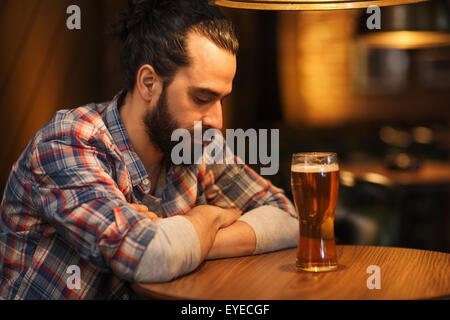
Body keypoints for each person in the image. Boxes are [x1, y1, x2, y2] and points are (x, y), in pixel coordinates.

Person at [0, 0, 298, 300]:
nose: (217, 121)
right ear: (148, 83)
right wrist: (207, 217)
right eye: (201, 98)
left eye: (222, 99)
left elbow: (288, 219)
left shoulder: (198, 145)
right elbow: (150, 256)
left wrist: (184, 238)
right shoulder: (68, 141)